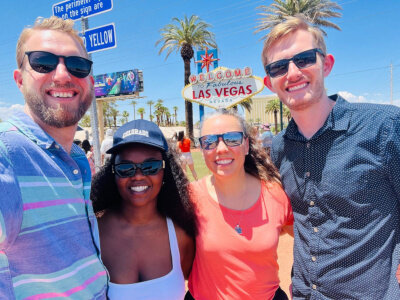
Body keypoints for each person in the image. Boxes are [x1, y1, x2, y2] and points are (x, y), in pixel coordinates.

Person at [262, 16, 400, 299]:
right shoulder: (278, 148)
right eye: (279, 67)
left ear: (326, 64)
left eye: (303, 59)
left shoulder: (384, 127)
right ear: (269, 82)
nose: (292, 73)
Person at [0, 16, 107, 298]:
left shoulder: (77, 159)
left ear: (90, 82)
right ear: (19, 79)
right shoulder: (6, 154)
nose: (62, 75)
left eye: (78, 66)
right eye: (43, 63)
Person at [187, 109, 293, 300]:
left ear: (246, 145)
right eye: (209, 142)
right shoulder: (190, 197)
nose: (221, 149)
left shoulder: (275, 194)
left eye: (232, 138)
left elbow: (310, 241)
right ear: (202, 150)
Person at [91, 119, 197, 300]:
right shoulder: (93, 233)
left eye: (151, 167)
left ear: (165, 171)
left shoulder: (181, 236)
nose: (138, 176)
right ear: (113, 173)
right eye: (125, 168)